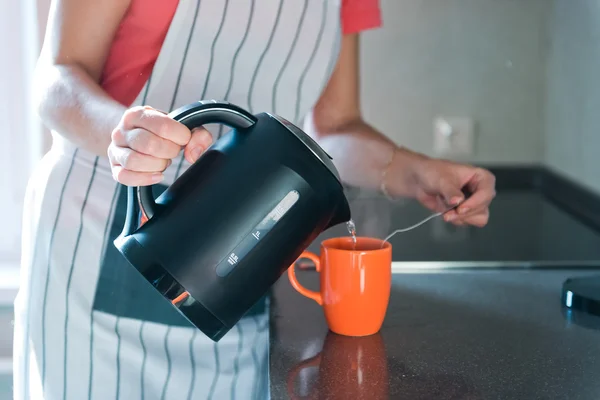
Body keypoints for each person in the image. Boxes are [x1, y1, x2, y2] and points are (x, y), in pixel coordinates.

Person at [14, 0, 496, 399]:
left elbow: (334, 130)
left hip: (240, 267)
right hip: (98, 242)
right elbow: (56, 77)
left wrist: (419, 173)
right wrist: (121, 137)